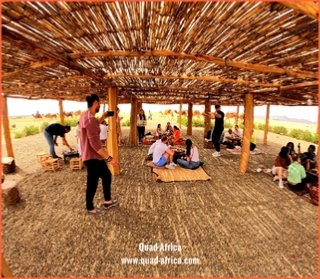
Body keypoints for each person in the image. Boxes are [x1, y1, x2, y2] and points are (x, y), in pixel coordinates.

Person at [80, 94, 119, 216]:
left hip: (94, 156)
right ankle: (90, 208)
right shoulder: (90, 119)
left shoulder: (86, 116)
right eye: (99, 103)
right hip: (92, 157)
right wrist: (110, 158)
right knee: (92, 183)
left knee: (106, 175)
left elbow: (93, 124)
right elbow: (95, 145)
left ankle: (108, 201)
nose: (100, 105)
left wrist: (102, 117)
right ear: (96, 103)